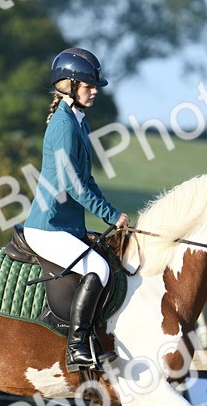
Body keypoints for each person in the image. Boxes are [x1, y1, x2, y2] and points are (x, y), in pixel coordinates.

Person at [24, 47, 129, 372]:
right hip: (48, 226)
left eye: (94, 86)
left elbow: (88, 180)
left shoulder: (78, 122)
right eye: (88, 85)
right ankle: (77, 347)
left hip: (67, 225)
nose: (94, 91)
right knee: (98, 268)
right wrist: (111, 216)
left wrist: (114, 211)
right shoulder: (64, 125)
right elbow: (74, 186)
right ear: (69, 86)